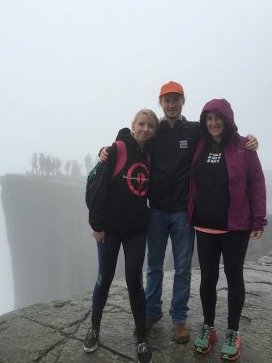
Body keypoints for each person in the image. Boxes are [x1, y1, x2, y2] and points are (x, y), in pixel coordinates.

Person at [100, 81, 258, 344]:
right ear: (160, 103)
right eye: (167, 100)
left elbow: (224, 138)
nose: (171, 104)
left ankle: (180, 319)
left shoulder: (195, 130)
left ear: (183, 101)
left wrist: (248, 140)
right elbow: (130, 139)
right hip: (157, 210)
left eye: (176, 100)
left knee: (183, 268)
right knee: (154, 267)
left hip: (185, 211)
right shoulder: (154, 130)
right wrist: (106, 149)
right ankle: (152, 312)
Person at [187, 99, 267, 360]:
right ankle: (208, 327)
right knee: (208, 279)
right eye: (208, 118)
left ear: (228, 120)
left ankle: (233, 331)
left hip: (235, 228)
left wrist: (258, 220)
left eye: (217, 118)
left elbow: (256, 183)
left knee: (234, 278)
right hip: (204, 226)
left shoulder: (244, 146)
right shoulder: (200, 143)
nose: (213, 123)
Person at [83, 109, 159, 363]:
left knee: (134, 282)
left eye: (150, 125)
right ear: (133, 125)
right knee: (104, 278)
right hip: (110, 230)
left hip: (136, 230)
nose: (145, 129)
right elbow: (98, 189)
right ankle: (94, 327)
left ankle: (140, 336)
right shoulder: (116, 150)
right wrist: (97, 225)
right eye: (141, 124)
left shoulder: (151, 154)